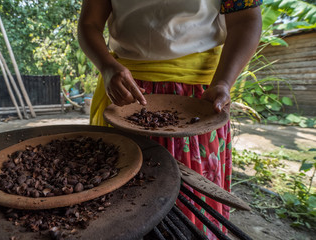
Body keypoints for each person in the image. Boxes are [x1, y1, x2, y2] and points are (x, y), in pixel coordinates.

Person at [78, 0, 262, 238]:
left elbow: (246, 19)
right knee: (122, 198)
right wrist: (106, 66)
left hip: (198, 100)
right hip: (126, 93)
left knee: (189, 206)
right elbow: (89, 23)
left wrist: (223, 82)